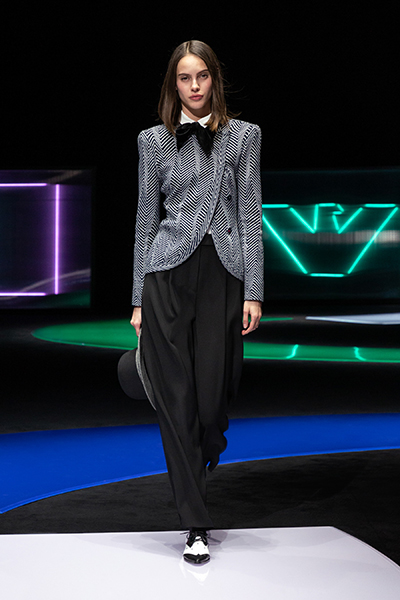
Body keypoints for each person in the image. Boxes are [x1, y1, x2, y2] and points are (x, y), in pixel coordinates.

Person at [130, 40, 263, 564]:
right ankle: (195, 525)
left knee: (212, 404)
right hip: (165, 276)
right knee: (177, 402)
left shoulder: (243, 135)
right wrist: (137, 299)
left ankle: (208, 447)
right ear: (174, 84)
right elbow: (145, 218)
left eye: (202, 76)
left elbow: (250, 214)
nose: (194, 86)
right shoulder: (153, 140)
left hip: (223, 275)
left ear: (214, 79)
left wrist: (253, 290)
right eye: (184, 78)